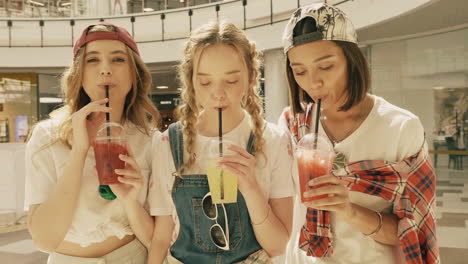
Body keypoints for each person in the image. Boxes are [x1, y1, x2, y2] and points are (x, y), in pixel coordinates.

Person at [277, 3, 439, 264]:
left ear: (351, 61)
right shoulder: (292, 123)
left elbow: (415, 233)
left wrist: (348, 210)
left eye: (326, 67)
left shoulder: (400, 128)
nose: (314, 82)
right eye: (300, 71)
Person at [147, 21, 294, 264]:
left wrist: (251, 190)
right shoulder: (168, 143)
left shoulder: (273, 141)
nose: (217, 93)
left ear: (250, 77)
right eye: (205, 82)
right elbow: (162, 237)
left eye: (232, 80)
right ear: (191, 81)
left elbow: (279, 246)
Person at [25, 23, 160, 263]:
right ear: (79, 73)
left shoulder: (150, 140)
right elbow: (44, 240)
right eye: (92, 60)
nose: (106, 70)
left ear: (134, 73)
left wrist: (131, 201)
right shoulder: (47, 137)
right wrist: (79, 151)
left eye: (118, 60)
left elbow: (156, 238)